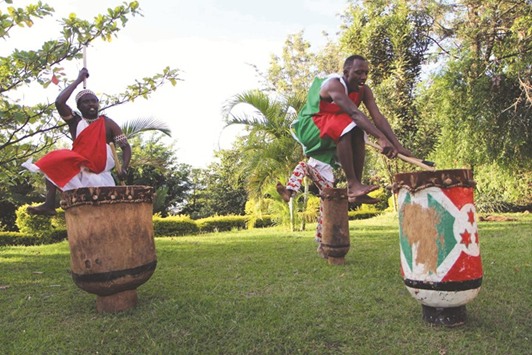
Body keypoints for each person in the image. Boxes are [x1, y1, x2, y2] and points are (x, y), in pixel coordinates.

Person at [290, 54, 412, 203]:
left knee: (358, 130)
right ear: (346, 72)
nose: (363, 77)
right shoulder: (333, 85)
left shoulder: (364, 91)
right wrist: (380, 138)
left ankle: (356, 190)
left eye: (366, 73)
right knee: (350, 122)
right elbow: (354, 113)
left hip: (332, 126)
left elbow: (378, 118)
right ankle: (352, 184)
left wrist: (397, 146)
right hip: (311, 126)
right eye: (358, 72)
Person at [22, 68, 131, 215]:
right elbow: (60, 102)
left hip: (102, 172)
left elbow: (125, 147)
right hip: (80, 169)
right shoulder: (75, 121)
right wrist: (79, 79)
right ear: (79, 107)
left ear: (98, 104)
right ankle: (49, 204)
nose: (91, 104)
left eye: (94, 101)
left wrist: (124, 168)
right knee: (54, 160)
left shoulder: (108, 123)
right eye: (85, 102)